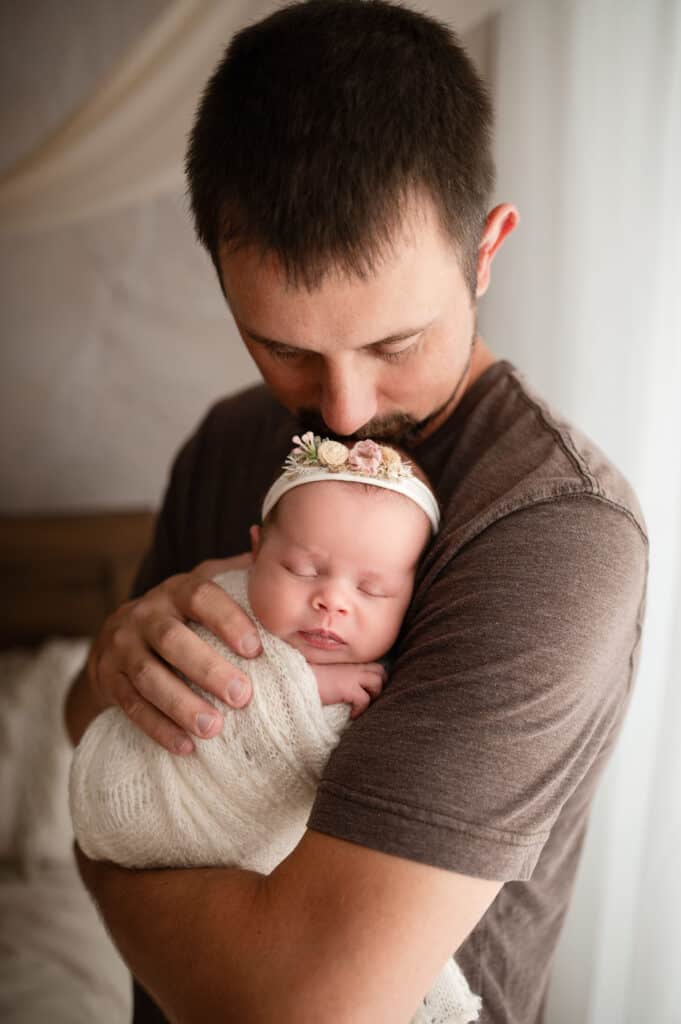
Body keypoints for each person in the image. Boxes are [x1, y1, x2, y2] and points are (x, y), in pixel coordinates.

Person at [65, 2, 648, 1022]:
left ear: (486, 249)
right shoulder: (226, 441)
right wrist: (118, 654)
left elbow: (303, 1008)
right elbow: (83, 720)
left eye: (395, 343)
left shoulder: (558, 534)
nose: (340, 411)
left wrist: (99, 855)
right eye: (285, 347)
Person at [70, 436, 483, 1023]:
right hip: (134, 788)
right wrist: (311, 688)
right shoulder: (220, 600)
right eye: (302, 569)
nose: (332, 602)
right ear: (257, 551)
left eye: (373, 589)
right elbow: (209, 683)